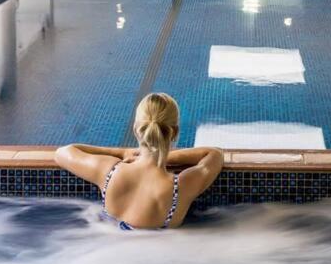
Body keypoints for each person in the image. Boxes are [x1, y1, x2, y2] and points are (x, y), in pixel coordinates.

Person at [54, 93, 223, 230]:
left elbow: (63, 152)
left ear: (136, 129)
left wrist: (121, 153)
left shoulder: (108, 172)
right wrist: (161, 155)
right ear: (175, 132)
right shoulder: (182, 187)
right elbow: (214, 154)